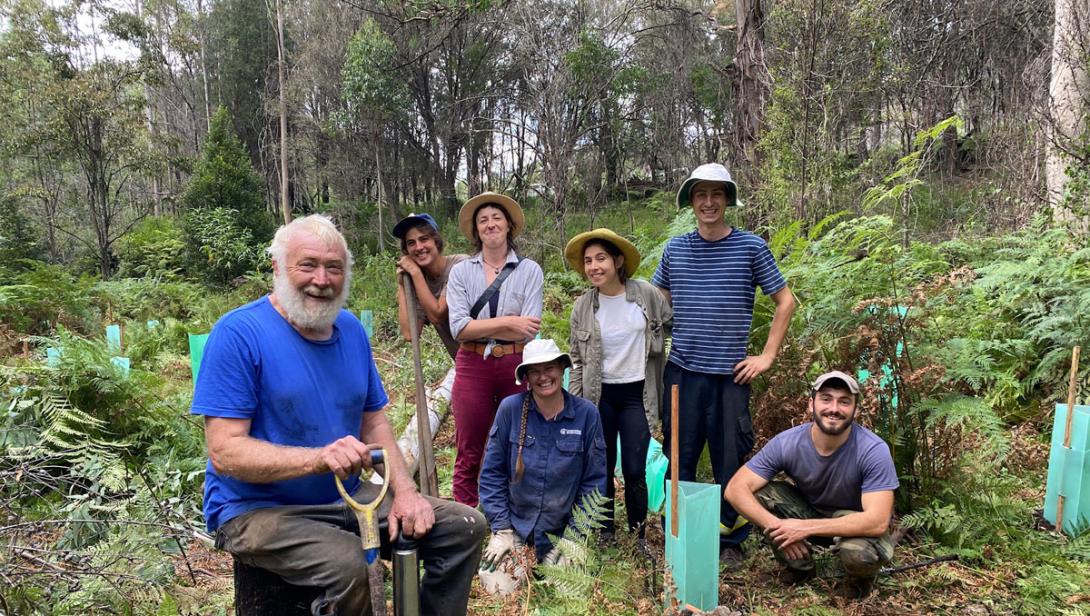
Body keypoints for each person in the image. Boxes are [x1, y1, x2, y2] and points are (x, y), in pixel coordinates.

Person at [191, 214, 484, 616]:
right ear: (278, 268)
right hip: (255, 509)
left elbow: (374, 422)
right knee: (351, 566)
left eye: (334, 268)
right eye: (307, 265)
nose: (322, 279)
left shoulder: (350, 330)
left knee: (461, 528)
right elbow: (225, 451)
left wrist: (407, 493)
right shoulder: (239, 334)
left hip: (344, 497)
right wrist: (317, 458)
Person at [651, 163, 797, 564]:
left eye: (717, 194)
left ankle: (728, 540)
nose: (709, 202)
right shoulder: (676, 249)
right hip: (681, 372)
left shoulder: (751, 247)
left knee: (729, 459)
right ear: (691, 202)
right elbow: (657, 296)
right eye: (701, 195)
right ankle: (677, 533)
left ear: (728, 200)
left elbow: (785, 301)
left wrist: (766, 357)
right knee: (678, 456)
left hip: (730, 377)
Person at [724, 371, 898, 596]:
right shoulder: (788, 442)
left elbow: (876, 521)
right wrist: (780, 528)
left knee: (857, 553)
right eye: (826, 398)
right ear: (811, 404)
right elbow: (735, 489)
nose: (833, 408)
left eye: (844, 402)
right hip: (808, 511)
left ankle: (858, 582)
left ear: (856, 410)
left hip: (853, 526)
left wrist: (801, 528)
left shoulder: (873, 450)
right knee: (761, 493)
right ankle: (800, 568)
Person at [565, 228, 672, 541]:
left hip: (638, 394)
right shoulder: (583, 307)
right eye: (588, 261)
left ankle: (638, 535)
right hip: (600, 396)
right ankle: (605, 530)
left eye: (601, 258)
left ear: (618, 260)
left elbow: (673, 325)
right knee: (603, 465)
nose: (594, 266)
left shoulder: (646, 296)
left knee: (636, 468)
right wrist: (576, 405)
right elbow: (577, 360)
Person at [478, 339, 608, 587]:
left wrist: (576, 536)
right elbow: (491, 475)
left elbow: (594, 483)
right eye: (534, 371)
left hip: (562, 535)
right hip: (516, 530)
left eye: (549, 368)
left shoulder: (586, 415)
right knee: (495, 588)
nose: (543, 377)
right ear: (525, 376)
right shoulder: (510, 410)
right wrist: (502, 529)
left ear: (562, 369)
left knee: (570, 596)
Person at [446, 192, 544, 506]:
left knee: (515, 439)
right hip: (472, 363)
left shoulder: (530, 271)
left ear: (508, 225)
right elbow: (459, 328)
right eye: (483, 220)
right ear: (476, 230)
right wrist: (510, 322)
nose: (490, 225)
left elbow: (529, 328)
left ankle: (510, 510)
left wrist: (503, 325)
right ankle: (466, 515)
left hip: (515, 363)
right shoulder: (461, 272)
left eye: (496, 218)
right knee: (470, 443)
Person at [393, 212, 468, 359]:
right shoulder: (420, 282)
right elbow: (409, 334)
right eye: (411, 243)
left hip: (488, 358)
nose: (419, 247)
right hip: (463, 364)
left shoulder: (460, 266)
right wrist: (402, 285)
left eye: (424, 239)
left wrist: (415, 272)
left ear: (436, 241)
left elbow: (437, 315)